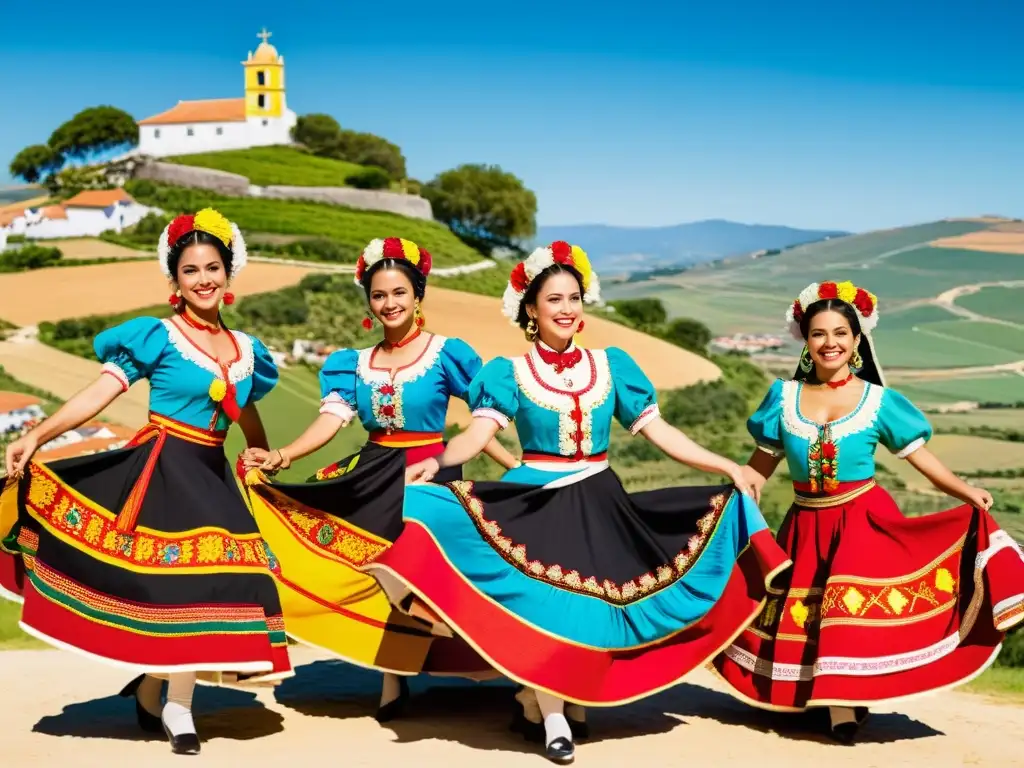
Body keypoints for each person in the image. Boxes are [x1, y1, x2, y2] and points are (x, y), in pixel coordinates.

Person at [365, 241, 791, 764]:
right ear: (530, 310)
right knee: (550, 609)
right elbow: (478, 433)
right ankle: (554, 720)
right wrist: (441, 460)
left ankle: (546, 700)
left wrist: (724, 465)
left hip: (599, 500)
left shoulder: (611, 365)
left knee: (590, 613)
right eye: (554, 300)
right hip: (535, 500)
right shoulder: (510, 372)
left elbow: (660, 431)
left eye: (574, 297)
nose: (566, 308)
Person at [0, 209, 292, 755]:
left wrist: (259, 450)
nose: (203, 279)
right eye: (190, 270)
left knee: (238, 577)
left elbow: (244, 410)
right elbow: (98, 394)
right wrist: (37, 435)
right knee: (178, 583)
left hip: (211, 471)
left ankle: (155, 685)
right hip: (162, 468)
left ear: (229, 274)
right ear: (174, 281)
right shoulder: (157, 336)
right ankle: (178, 707)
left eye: (212, 267)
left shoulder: (249, 350)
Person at [712, 280, 1024, 744]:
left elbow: (922, 460)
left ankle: (841, 710)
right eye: (819, 333)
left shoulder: (878, 402)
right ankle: (830, 698)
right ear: (805, 340)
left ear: (858, 341)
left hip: (863, 520)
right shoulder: (783, 399)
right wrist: (725, 500)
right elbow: (759, 471)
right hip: (805, 523)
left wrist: (966, 492)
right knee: (810, 612)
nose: (830, 343)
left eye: (841, 333)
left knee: (844, 609)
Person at [239, 237, 520, 722]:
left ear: (418, 295)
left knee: (431, 576)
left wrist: (515, 467)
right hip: (375, 474)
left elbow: (480, 420)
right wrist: (282, 456)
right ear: (369, 301)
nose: (389, 304)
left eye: (399, 293)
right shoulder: (354, 364)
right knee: (377, 573)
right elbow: (332, 421)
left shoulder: (447, 354)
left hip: (434, 476)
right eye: (379, 295)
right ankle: (392, 678)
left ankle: (485, 663)